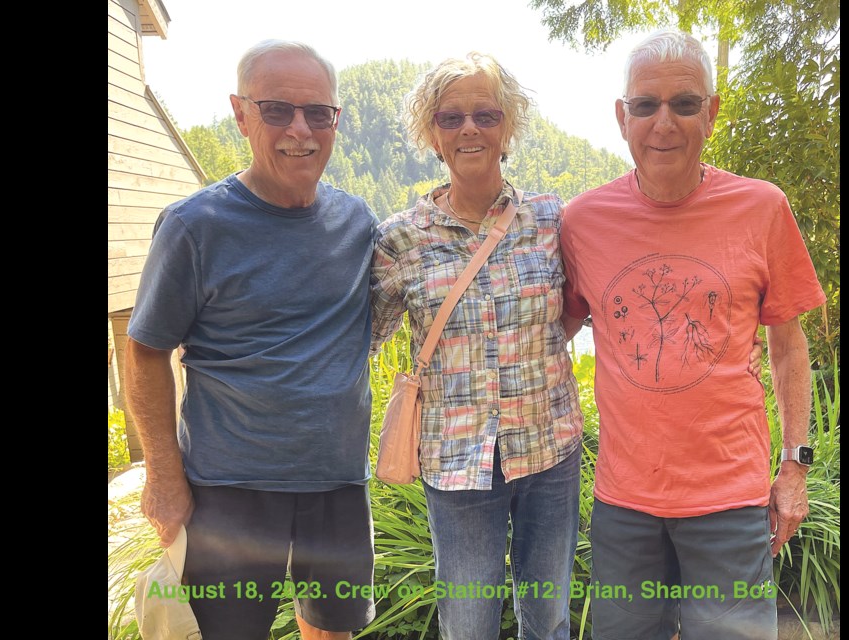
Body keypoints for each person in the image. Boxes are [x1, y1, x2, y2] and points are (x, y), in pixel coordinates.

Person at [559, 30, 827, 640]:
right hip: (624, 503)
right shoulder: (582, 221)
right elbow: (556, 328)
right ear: (621, 116)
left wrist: (794, 467)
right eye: (646, 105)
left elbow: (789, 346)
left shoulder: (761, 209)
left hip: (729, 502)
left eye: (684, 103)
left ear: (711, 111)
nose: (664, 123)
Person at [124, 40, 377, 640]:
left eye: (318, 113)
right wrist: (163, 478)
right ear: (241, 114)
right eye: (277, 110)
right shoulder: (194, 227)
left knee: (331, 630)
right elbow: (144, 350)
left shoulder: (358, 223)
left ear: (336, 120)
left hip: (337, 481)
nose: (301, 130)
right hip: (227, 489)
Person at [369, 52, 584, 640]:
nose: (469, 129)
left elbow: (579, 310)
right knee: (466, 625)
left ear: (507, 127)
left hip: (550, 451)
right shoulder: (400, 240)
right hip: (455, 466)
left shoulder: (550, 220)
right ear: (431, 135)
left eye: (486, 115)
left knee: (550, 618)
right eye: (451, 118)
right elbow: (355, 337)